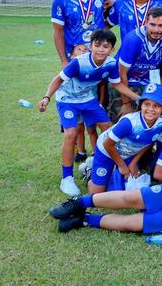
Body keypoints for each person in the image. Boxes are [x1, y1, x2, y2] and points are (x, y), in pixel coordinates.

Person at [38, 30, 142, 196]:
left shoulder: (110, 64)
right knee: (71, 134)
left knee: (110, 130)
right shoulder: (78, 63)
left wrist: (139, 98)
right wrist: (46, 98)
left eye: (105, 46)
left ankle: (111, 164)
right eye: (97, 45)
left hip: (88, 100)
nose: (101, 49)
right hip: (67, 100)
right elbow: (58, 80)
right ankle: (67, 179)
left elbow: (117, 85)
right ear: (91, 46)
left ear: (112, 49)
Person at [88, 84, 162, 193]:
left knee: (122, 189)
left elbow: (148, 143)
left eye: (156, 106)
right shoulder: (129, 123)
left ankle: (111, 173)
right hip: (106, 150)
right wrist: (122, 166)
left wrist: (133, 163)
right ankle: (90, 169)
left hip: (127, 154)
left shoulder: (161, 123)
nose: (150, 109)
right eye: (147, 104)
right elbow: (107, 144)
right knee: (97, 193)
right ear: (141, 105)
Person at [51, 0, 118, 65]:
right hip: (75, 55)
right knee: (76, 82)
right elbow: (58, 32)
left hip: (99, 53)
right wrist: (63, 61)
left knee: (102, 82)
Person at [113, 6, 162, 119]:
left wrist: (158, 96)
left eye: (161, 25)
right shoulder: (133, 39)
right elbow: (122, 73)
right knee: (122, 123)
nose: (156, 30)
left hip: (149, 82)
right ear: (146, 22)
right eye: (152, 24)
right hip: (126, 82)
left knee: (147, 123)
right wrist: (126, 103)